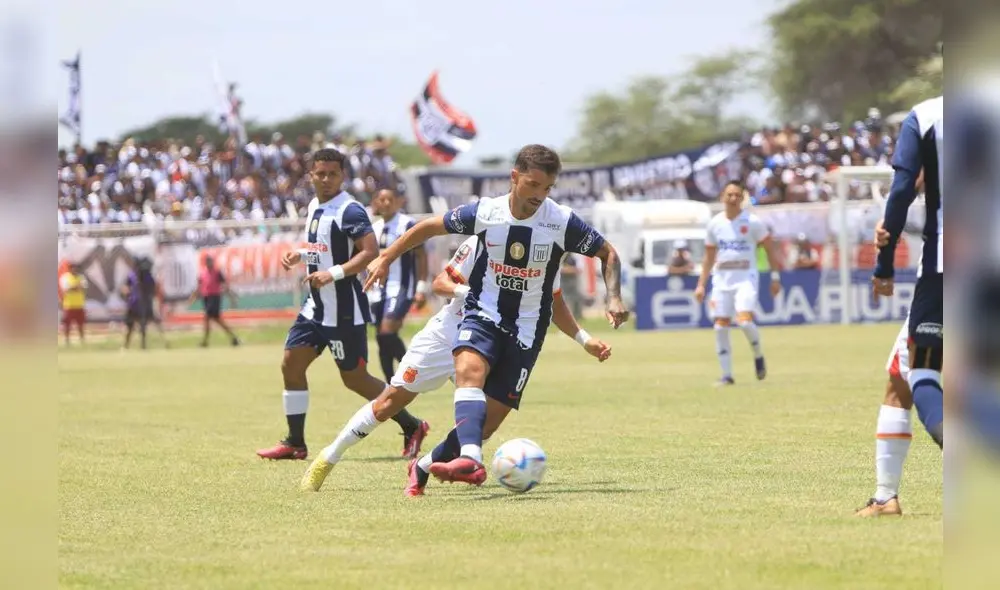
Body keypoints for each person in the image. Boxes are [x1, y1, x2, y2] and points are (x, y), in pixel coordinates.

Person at [362, 144, 628, 487]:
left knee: (485, 423)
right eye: (532, 185)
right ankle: (471, 460)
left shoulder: (560, 221)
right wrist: (386, 257)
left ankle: (425, 466)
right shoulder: (487, 212)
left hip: (528, 331)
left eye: (546, 188)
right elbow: (429, 227)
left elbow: (608, 253)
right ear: (514, 178)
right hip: (483, 313)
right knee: (468, 370)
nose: (539, 195)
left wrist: (614, 297)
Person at [300, 236, 612, 492]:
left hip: (497, 341)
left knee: (485, 424)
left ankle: (424, 466)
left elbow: (553, 300)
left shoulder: (545, 252)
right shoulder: (484, 239)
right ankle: (329, 457)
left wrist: (584, 339)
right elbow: (440, 283)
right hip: (448, 334)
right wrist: (470, 292)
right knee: (390, 403)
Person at [256, 149, 429, 461]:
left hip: (345, 311)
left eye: (332, 174)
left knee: (355, 380)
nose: (325, 179)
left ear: (342, 176)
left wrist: (332, 273)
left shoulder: (350, 210)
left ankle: (412, 425)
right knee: (291, 365)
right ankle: (295, 442)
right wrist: (301, 254)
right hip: (316, 308)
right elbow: (324, 249)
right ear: (310, 175)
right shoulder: (314, 205)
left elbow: (369, 251)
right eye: (320, 173)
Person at [871, 95, 943, 455]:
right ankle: (885, 498)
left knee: (919, 371)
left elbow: (902, 189)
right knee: (900, 375)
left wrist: (884, 264)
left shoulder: (928, 115)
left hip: (946, 263)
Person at [694, 180, 783, 386]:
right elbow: (708, 257)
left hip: (745, 279)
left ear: (743, 198)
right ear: (722, 197)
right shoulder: (715, 224)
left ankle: (758, 354)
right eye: (729, 195)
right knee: (720, 327)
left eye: (737, 195)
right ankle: (727, 375)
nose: (733, 199)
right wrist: (701, 284)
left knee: (744, 321)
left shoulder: (752, 222)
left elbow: (770, 250)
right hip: (722, 281)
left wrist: (775, 278)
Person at [368, 188, 430, 395]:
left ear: (397, 202)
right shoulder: (374, 228)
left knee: (387, 331)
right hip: (378, 291)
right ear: (376, 202)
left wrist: (421, 288)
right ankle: (390, 386)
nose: (385, 203)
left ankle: (411, 371)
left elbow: (421, 256)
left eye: (389, 199)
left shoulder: (407, 224)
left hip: (402, 287)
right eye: (381, 199)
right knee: (381, 337)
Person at [188, 255, 240, 348]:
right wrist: (193, 297)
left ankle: (205, 341)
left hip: (215, 297)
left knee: (207, 317)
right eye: (208, 262)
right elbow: (199, 287)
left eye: (211, 261)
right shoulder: (202, 273)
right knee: (217, 320)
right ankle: (233, 338)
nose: (210, 263)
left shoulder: (217, 272)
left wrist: (231, 298)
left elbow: (225, 285)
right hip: (206, 298)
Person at [122, 257, 170, 350]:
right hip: (133, 303)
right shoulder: (131, 275)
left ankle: (154, 344)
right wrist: (127, 293)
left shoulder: (147, 277)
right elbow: (126, 287)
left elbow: (153, 289)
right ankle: (126, 346)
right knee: (130, 326)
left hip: (145, 303)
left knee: (149, 323)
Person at [58, 262, 88, 346]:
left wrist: (74, 287)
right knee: (67, 324)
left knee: (81, 324)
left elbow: (84, 287)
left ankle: (82, 341)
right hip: (69, 305)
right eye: (73, 268)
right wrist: (77, 287)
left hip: (79, 305)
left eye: (76, 268)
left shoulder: (81, 277)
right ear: (70, 269)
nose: (75, 269)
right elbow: (67, 288)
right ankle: (67, 341)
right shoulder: (65, 277)